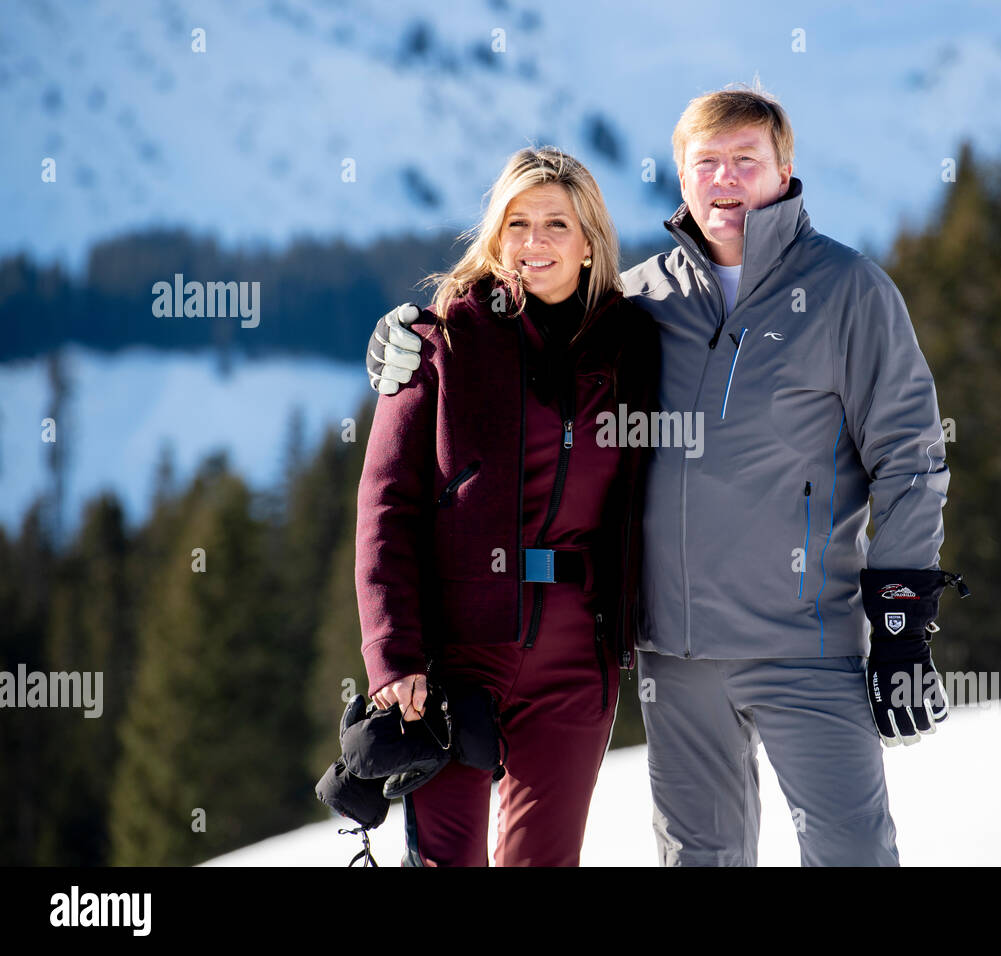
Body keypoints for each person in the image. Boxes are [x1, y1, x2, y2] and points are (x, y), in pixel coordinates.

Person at [367, 85, 967, 867]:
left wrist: (901, 622)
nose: (724, 180)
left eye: (744, 161)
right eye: (706, 163)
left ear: (785, 170)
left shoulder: (848, 293)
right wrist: (405, 335)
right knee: (698, 860)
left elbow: (911, 460)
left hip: (805, 644)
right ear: (681, 179)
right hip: (674, 660)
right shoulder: (639, 305)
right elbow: (520, 337)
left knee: (851, 852)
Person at [356, 146, 659, 866]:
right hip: (458, 653)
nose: (534, 242)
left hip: (575, 653)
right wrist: (392, 653)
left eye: (556, 223)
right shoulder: (446, 339)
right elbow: (386, 504)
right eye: (517, 223)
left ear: (590, 243)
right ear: (495, 237)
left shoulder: (633, 345)